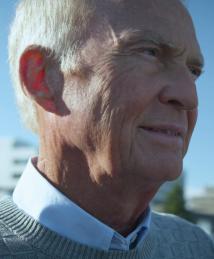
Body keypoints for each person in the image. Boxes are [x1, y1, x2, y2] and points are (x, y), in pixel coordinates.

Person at [0, 0, 213, 258]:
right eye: (150, 52)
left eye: (193, 71)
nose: (189, 97)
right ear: (43, 78)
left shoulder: (197, 246)